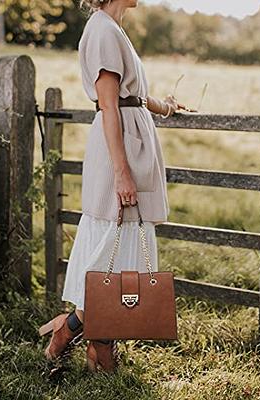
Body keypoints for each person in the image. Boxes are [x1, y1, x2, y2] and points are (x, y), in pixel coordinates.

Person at [38, 0, 179, 373]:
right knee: (111, 253)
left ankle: (85, 338)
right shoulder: (101, 30)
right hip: (119, 151)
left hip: (130, 142)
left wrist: (164, 106)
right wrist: (121, 172)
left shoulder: (112, 28)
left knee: (121, 256)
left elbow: (129, 95)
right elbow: (108, 104)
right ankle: (76, 336)